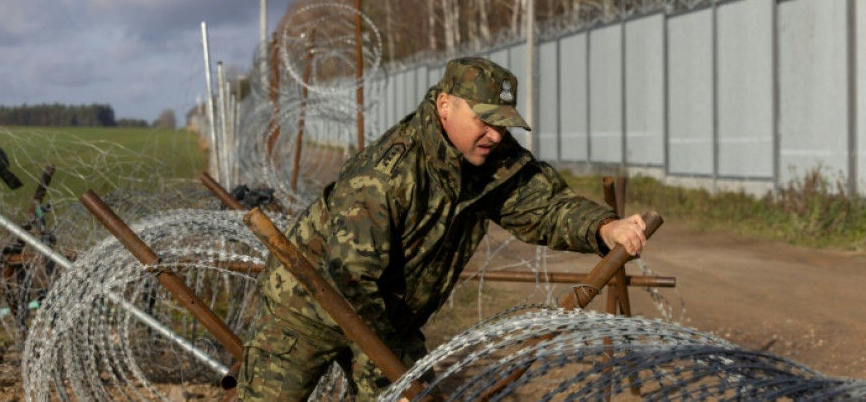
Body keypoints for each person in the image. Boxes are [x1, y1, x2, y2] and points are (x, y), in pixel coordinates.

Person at [238, 57, 648, 401]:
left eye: (503, 123)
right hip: (307, 306)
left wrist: (604, 227)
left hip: (391, 317)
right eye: (484, 120)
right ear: (445, 105)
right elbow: (351, 282)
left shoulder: (491, 161)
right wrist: (389, 370)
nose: (495, 134)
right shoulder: (385, 177)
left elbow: (544, 206)